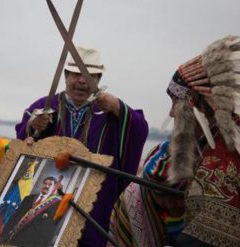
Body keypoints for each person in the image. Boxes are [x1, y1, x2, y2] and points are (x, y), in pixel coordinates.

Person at [109, 34, 240, 247]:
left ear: (196, 105)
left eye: (175, 103)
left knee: (135, 193)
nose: (172, 114)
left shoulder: (219, 163)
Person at [15, 46, 149, 246]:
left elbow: (139, 129)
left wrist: (118, 107)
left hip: (93, 200)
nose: (82, 81)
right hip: (49, 194)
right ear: (66, 76)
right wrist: (33, 126)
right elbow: (23, 142)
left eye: (90, 76)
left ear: (98, 81)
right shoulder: (46, 104)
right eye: (76, 74)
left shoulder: (108, 110)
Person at [0, 176, 62, 247]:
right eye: (45, 183)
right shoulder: (28, 198)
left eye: (50, 184)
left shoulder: (56, 204)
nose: (46, 186)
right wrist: (5, 232)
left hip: (32, 242)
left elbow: (48, 228)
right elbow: (16, 216)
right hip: (16, 237)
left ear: (54, 187)